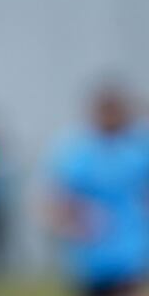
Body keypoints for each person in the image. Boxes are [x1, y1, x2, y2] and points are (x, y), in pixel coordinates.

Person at [45, 86, 149, 296]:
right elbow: (57, 200)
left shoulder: (138, 147)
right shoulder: (78, 151)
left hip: (130, 254)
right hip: (89, 258)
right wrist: (75, 223)